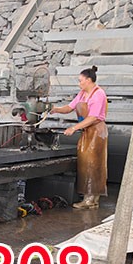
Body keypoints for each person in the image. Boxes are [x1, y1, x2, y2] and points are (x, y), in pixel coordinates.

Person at [50, 65, 108, 210]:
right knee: (86, 163)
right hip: (86, 130)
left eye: (80, 80)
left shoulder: (98, 94)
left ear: (88, 80)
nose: (79, 83)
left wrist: (73, 128)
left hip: (96, 131)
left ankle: (91, 200)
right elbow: (69, 107)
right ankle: (90, 199)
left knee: (94, 164)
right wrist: (55, 109)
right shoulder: (82, 94)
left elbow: (93, 117)